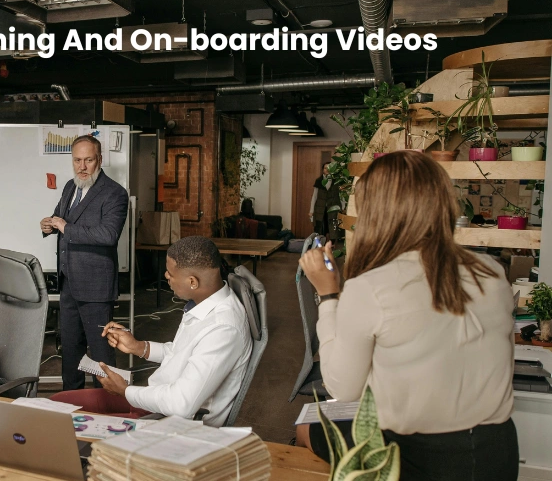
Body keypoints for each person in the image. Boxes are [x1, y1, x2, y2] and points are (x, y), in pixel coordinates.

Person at [296, 151, 518, 480]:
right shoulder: (492, 272)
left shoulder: (370, 287)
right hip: (497, 450)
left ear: (377, 212)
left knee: (305, 426)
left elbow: (342, 387)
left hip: (420, 458)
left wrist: (329, 295)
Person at [50, 236, 252, 427]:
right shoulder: (206, 304)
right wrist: (139, 347)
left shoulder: (223, 328)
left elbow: (181, 404)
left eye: (171, 274)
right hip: (155, 402)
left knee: (58, 420)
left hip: (168, 420)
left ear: (192, 282)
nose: (166, 276)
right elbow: (181, 353)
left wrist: (125, 390)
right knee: (59, 403)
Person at [40, 135, 129, 391]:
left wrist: (65, 226)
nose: (82, 166)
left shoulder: (114, 193)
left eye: (88, 160)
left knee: (101, 354)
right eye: (77, 160)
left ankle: (107, 407)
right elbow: (60, 218)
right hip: (69, 282)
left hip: (96, 287)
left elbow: (108, 235)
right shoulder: (70, 186)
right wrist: (49, 225)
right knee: (70, 349)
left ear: (99, 159)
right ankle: (72, 402)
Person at [310, 162, 342, 241]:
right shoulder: (319, 181)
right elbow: (314, 196)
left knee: (333, 231)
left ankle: (332, 248)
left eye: (329, 168)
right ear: (322, 170)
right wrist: (311, 211)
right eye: (325, 168)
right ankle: (318, 247)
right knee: (319, 230)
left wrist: (343, 208)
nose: (327, 170)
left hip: (333, 210)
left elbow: (341, 197)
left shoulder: (337, 181)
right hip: (320, 210)